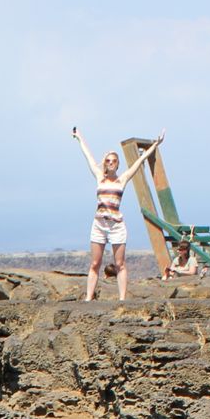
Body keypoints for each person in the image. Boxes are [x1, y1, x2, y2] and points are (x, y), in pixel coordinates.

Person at [71, 128, 164, 302]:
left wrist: (155, 145)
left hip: (116, 225)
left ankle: (122, 299)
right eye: (108, 161)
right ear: (105, 163)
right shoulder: (100, 177)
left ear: (118, 164)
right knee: (95, 263)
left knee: (120, 263)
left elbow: (140, 160)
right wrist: (79, 137)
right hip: (99, 224)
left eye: (114, 161)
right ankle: (89, 297)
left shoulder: (122, 179)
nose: (111, 163)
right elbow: (88, 156)